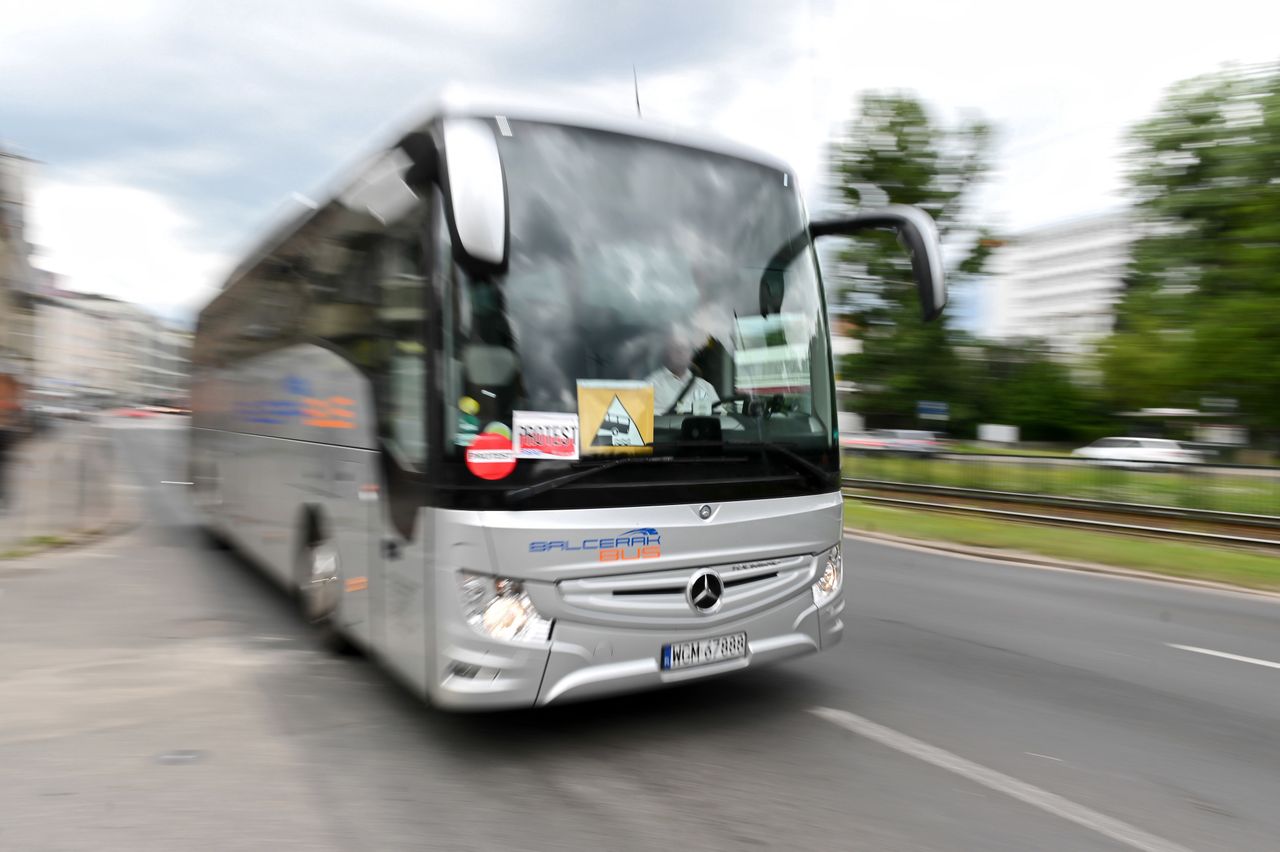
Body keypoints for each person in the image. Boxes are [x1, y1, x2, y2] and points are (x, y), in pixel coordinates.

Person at [645, 333, 718, 416]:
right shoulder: (650, 385)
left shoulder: (706, 387)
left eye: (685, 348)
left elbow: (722, 419)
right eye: (676, 347)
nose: (681, 351)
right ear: (667, 352)